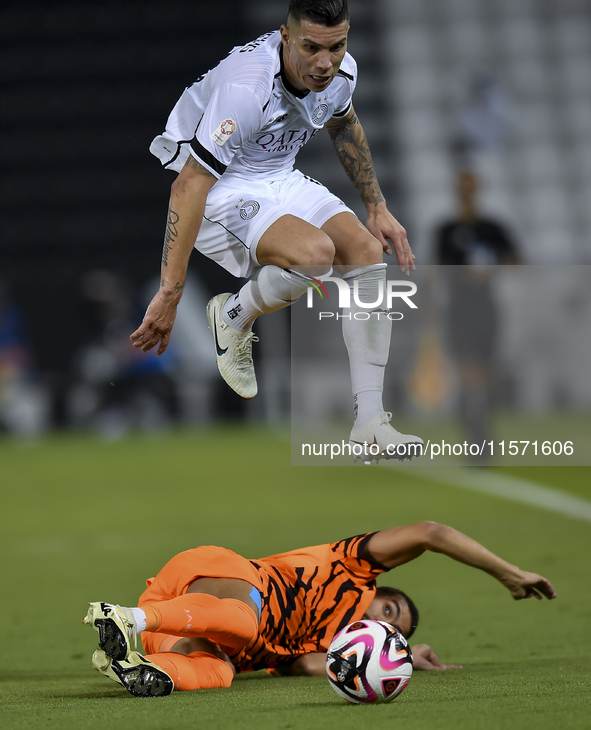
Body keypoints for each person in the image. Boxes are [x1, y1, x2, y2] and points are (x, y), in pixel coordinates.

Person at [129, 0, 422, 459]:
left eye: (337, 46)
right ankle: (234, 316)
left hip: (277, 174)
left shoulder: (342, 72)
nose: (325, 63)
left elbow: (344, 124)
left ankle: (369, 423)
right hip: (216, 186)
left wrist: (377, 206)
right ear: (286, 38)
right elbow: (188, 186)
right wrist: (170, 292)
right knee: (315, 254)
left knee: (366, 252)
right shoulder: (247, 87)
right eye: (312, 48)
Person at [83, 521, 556, 697]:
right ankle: (129, 618)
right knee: (246, 626)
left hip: (190, 630)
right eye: (389, 615)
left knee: (219, 672)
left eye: (395, 635)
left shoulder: (328, 649)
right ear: (380, 590)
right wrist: (509, 574)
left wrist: (397, 664)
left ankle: (136, 660)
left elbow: (313, 666)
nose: (380, 628)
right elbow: (430, 533)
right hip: (222, 576)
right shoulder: (350, 567)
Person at [435, 170, 520, 453]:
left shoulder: (492, 228)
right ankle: (476, 438)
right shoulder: (447, 230)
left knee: (487, 373)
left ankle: (483, 432)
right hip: (460, 308)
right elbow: (436, 269)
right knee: (468, 372)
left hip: (487, 307)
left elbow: (515, 259)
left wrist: (492, 265)